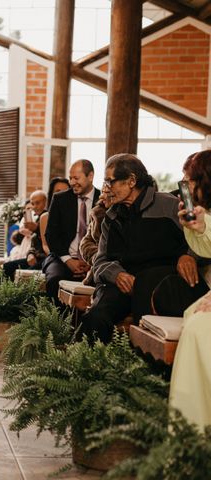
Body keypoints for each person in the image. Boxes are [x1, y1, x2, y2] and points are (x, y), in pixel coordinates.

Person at [79, 153, 202, 343]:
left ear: (131, 181)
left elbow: (199, 236)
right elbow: (101, 261)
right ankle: (93, 370)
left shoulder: (170, 205)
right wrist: (116, 274)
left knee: (146, 300)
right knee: (95, 317)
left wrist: (188, 256)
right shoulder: (110, 217)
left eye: (110, 182)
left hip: (160, 285)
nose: (106, 188)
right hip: (120, 284)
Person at [169, 149, 211, 430]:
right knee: (195, 320)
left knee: (198, 327)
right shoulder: (203, 212)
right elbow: (204, 246)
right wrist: (198, 228)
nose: (184, 185)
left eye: (188, 179)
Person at [43, 160, 100, 300]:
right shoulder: (60, 199)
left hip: (94, 261)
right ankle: (54, 322)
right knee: (54, 280)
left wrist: (92, 262)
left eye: (76, 178)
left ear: (90, 176)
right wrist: (68, 261)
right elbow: (51, 235)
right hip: (62, 257)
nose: (72, 182)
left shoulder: (104, 200)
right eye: (70, 178)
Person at [2, 190, 47, 280]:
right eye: (32, 204)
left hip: (45, 259)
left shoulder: (48, 217)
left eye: (37, 203)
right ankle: (6, 293)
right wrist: (30, 254)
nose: (34, 207)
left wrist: (36, 229)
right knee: (7, 266)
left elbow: (47, 239)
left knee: (23, 276)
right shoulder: (37, 218)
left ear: (46, 202)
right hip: (34, 257)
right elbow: (34, 241)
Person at [79, 191, 113, 286]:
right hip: (99, 265)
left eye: (106, 192)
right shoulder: (98, 213)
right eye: (102, 192)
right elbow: (86, 242)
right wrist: (98, 258)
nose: (101, 196)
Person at [39, 177, 71, 256]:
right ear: (52, 194)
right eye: (58, 191)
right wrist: (59, 257)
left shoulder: (78, 214)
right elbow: (45, 245)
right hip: (54, 256)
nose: (62, 195)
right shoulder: (45, 217)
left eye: (65, 191)